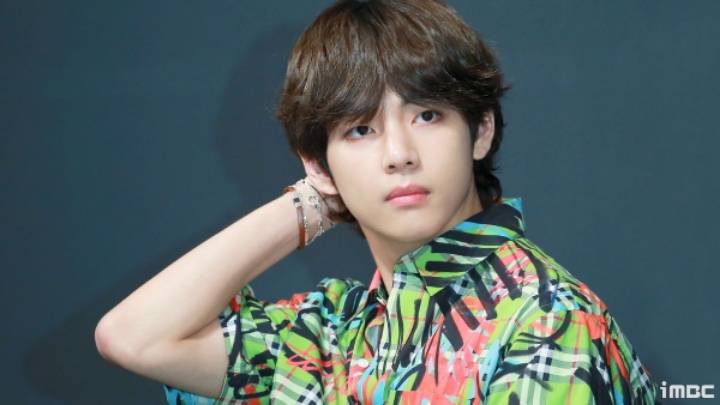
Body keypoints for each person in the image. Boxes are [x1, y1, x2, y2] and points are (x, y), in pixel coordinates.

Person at [94, 0, 659, 403]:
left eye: (427, 115)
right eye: (361, 129)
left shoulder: (547, 321)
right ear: (319, 163)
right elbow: (136, 338)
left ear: (480, 131)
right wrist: (314, 201)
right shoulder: (339, 332)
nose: (399, 154)